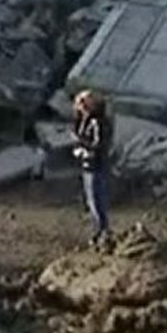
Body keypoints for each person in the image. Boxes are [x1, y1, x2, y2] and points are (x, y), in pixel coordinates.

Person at [71, 89, 113, 246]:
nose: (80, 106)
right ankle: (99, 231)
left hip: (96, 165)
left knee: (97, 201)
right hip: (87, 165)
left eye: (83, 103)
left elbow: (100, 144)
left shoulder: (98, 122)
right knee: (91, 201)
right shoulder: (84, 120)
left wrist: (82, 144)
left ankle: (102, 232)